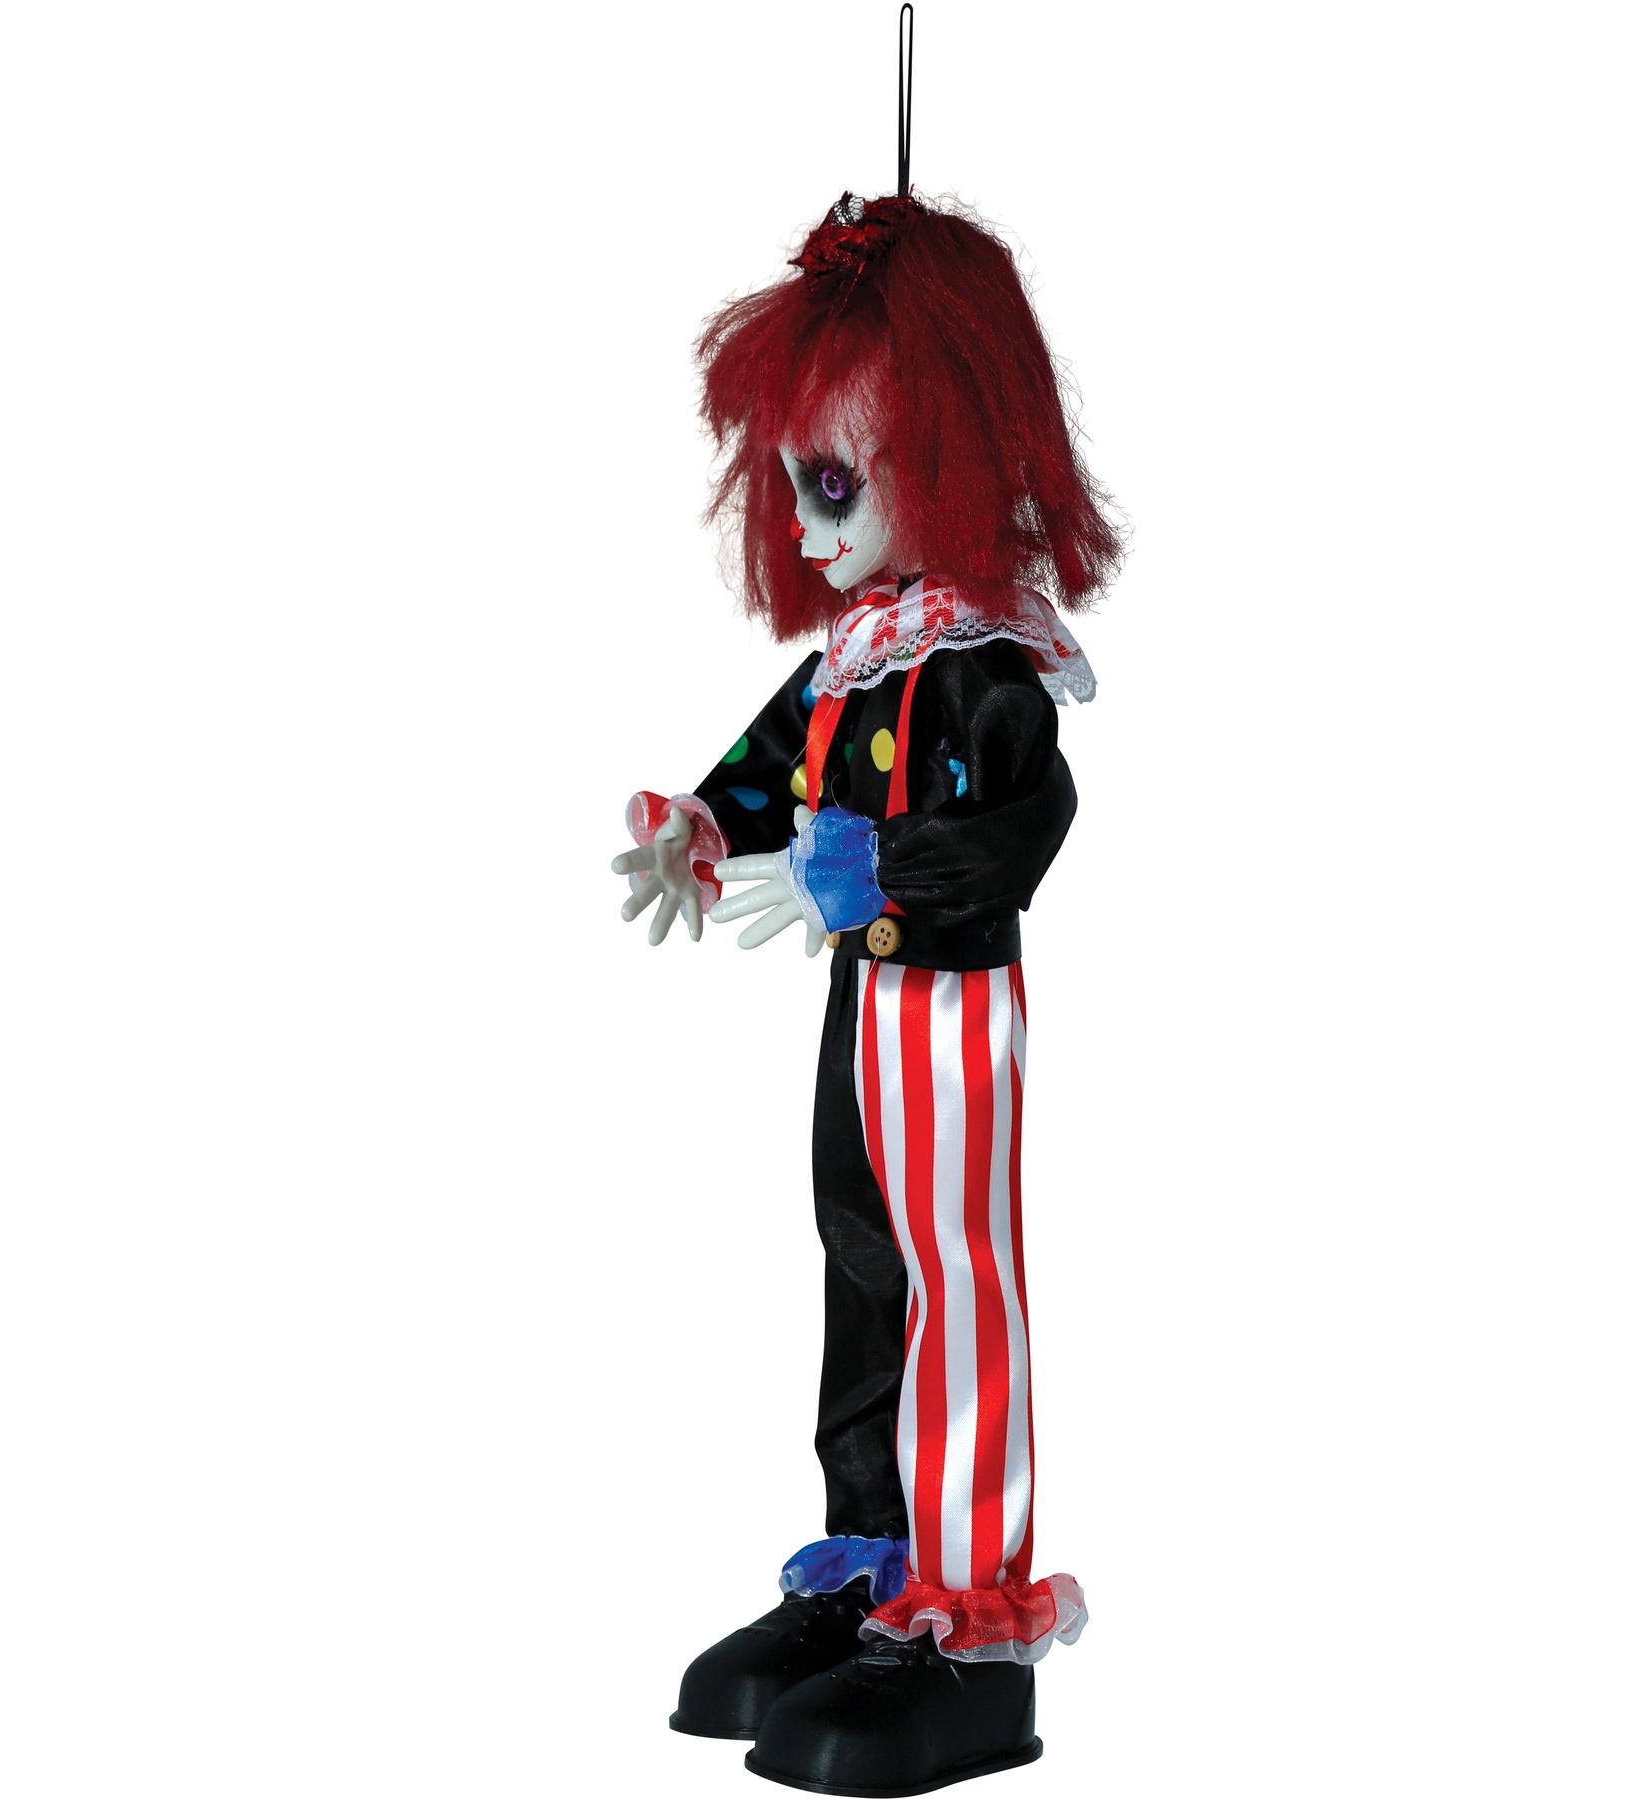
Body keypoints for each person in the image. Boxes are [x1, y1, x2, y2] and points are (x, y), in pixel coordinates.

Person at [610, 190, 1122, 1794]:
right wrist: (704, 829)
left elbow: (1026, 827)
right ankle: (872, 1565)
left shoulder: (984, 663)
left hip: (950, 1020)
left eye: (832, 479)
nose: (805, 521)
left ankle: (967, 1620)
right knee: (860, 1266)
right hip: (863, 1021)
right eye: (791, 483)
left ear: (944, 452)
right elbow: (775, 764)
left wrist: (872, 873)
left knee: (958, 1284)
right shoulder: (861, 650)